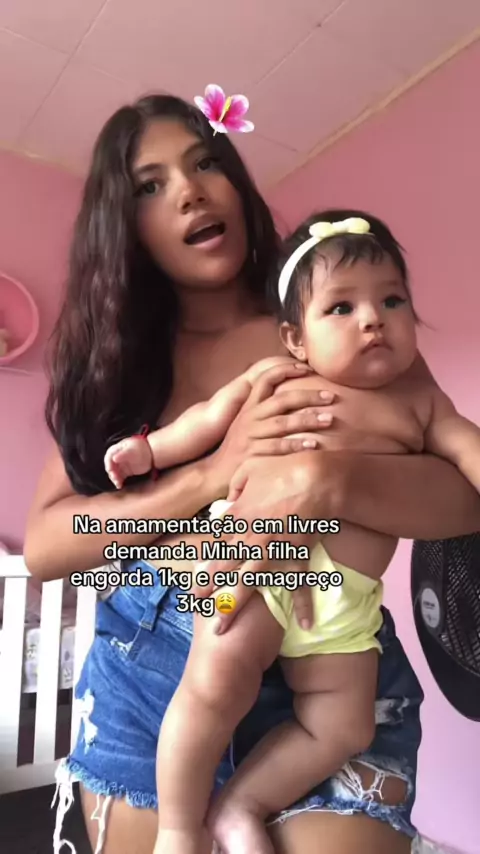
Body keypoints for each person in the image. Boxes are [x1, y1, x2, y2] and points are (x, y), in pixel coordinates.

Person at [23, 93, 480, 854]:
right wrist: (211, 476)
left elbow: (463, 501)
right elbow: (46, 546)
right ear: (123, 224)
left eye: (205, 163)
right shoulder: (115, 367)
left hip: (334, 639)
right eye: (151, 185)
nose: (191, 192)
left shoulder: (341, 322)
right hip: (169, 650)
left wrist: (325, 482)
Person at [101, 212, 480, 854]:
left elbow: (468, 452)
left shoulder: (423, 404)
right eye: (342, 307)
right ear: (295, 339)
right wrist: (151, 451)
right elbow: (207, 419)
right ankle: (179, 828)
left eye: (392, 301)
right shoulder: (278, 376)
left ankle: (241, 806)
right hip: (252, 567)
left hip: (347, 602)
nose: (372, 319)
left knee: (345, 725)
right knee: (214, 683)